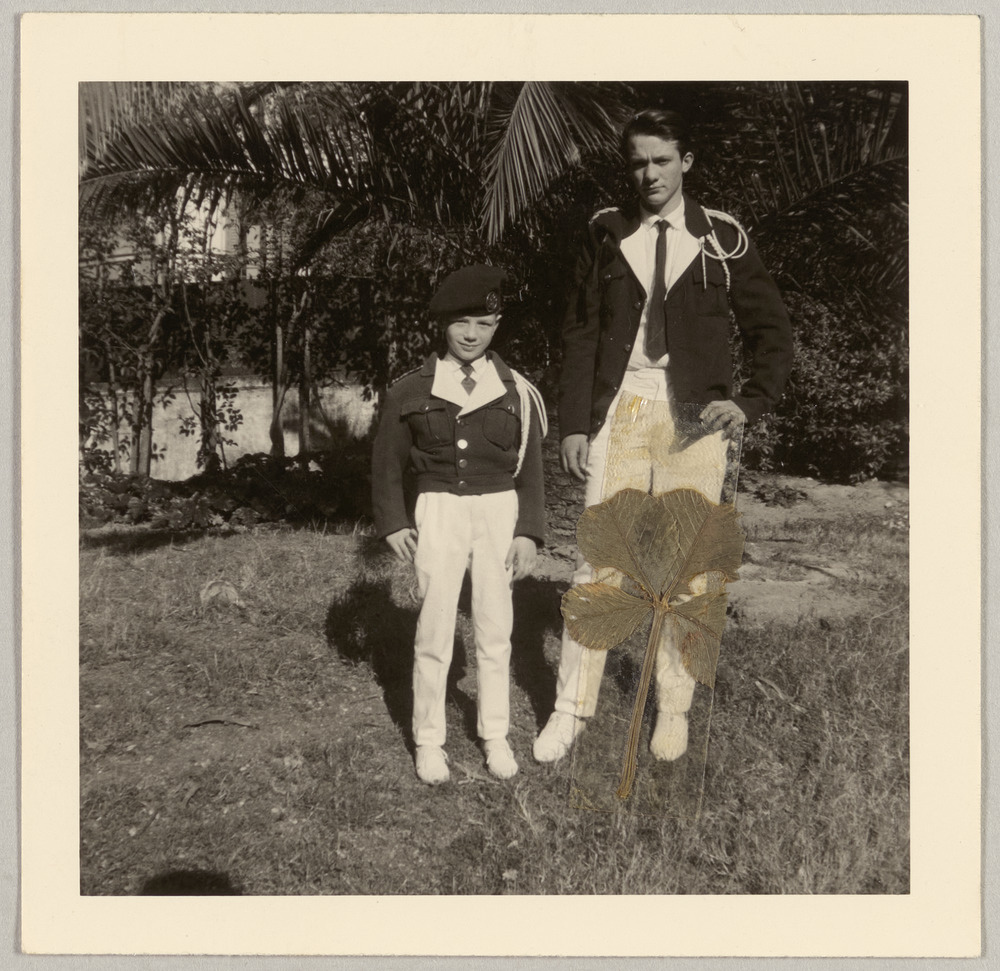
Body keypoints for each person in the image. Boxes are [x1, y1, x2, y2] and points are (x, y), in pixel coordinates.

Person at [533, 109, 793, 764]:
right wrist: (573, 424)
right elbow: (580, 333)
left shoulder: (722, 238)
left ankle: (673, 709)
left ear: (686, 162)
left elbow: (771, 330)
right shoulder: (606, 233)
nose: (649, 174)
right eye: (638, 162)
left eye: (661, 160)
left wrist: (749, 402)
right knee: (598, 560)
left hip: (695, 421)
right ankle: (571, 710)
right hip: (620, 409)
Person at [372, 265, 547, 784]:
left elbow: (531, 468)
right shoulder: (411, 389)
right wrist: (393, 521)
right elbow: (386, 464)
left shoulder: (517, 390)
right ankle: (429, 740)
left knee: (495, 627)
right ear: (442, 324)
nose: (472, 335)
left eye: (484, 324)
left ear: (497, 326)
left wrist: (528, 531)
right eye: (461, 323)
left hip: (498, 512)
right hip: (440, 510)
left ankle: (495, 734)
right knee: (434, 627)